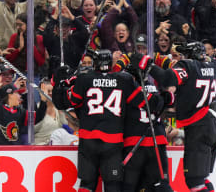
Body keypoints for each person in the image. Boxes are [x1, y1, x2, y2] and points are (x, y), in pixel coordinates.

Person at [52, 50, 153, 192]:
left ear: (95, 63)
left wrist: (59, 83)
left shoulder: (84, 79)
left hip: (88, 141)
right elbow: (145, 103)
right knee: (112, 184)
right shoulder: (124, 80)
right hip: (113, 142)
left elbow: (64, 102)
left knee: (87, 184)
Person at [131, 42, 216, 192]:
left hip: (199, 127)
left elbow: (167, 79)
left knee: (195, 182)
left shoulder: (188, 66)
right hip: (213, 124)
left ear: (190, 56)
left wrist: (147, 64)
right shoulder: (213, 65)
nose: (181, 57)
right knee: (202, 178)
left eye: (183, 54)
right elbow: (215, 60)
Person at [34, 78, 68, 145]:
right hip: (40, 147)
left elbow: (66, 125)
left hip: (57, 146)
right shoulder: (36, 108)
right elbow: (33, 129)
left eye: (52, 91)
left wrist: (60, 110)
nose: (50, 93)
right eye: (48, 91)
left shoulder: (58, 108)